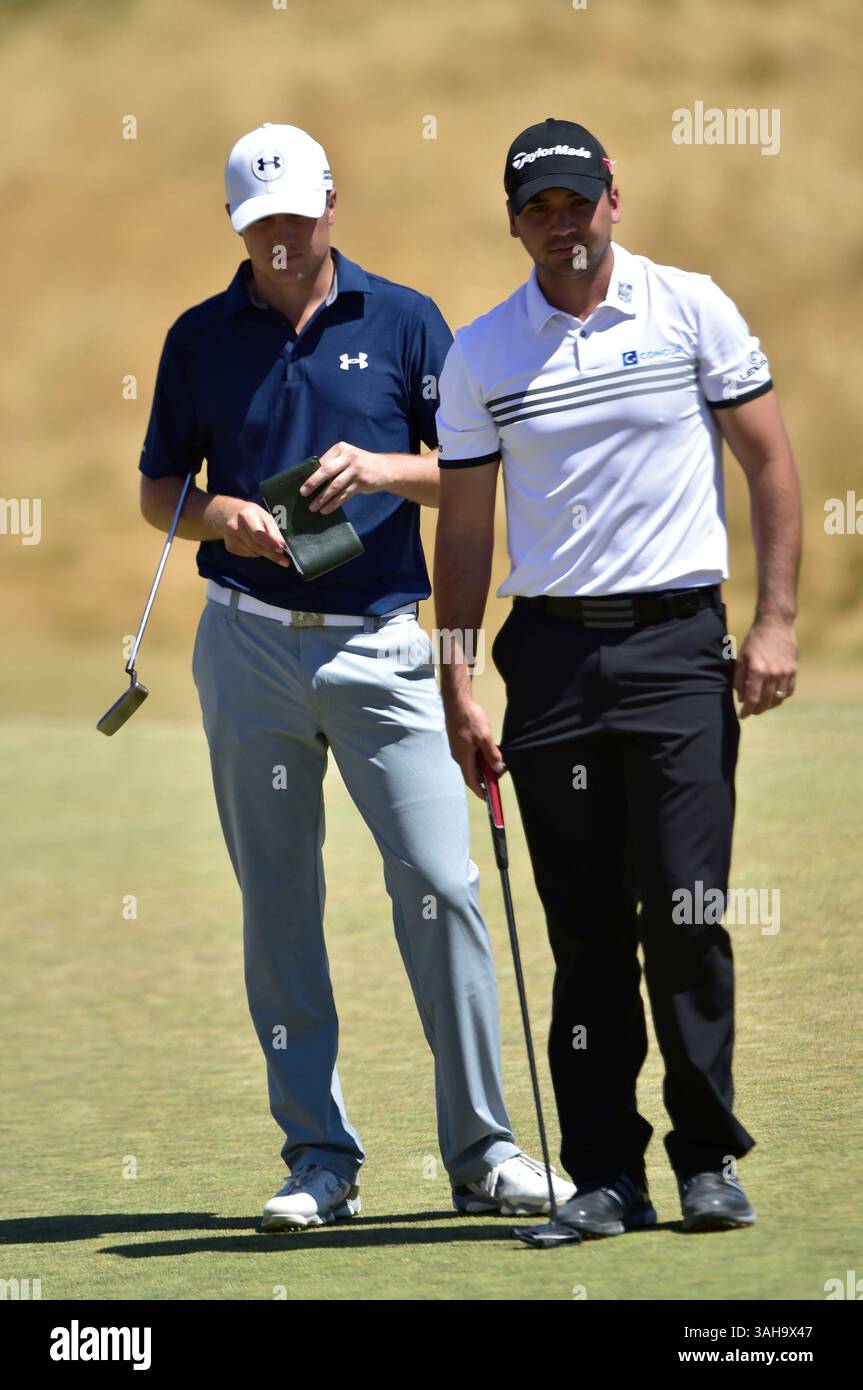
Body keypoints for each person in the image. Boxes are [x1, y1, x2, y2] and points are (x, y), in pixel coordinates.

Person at [138, 122, 573, 1231]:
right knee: (278, 907)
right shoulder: (199, 337)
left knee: (440, 885)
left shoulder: (407, 321)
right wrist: (217, 517)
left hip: (381, 644)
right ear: (238, 226)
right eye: (260, 224)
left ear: (332, 203)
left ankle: (482, 1150)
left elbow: (468, 474)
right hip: (246, 646)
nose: (282, 240)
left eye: (297, 216)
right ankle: (319, 1159)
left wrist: (382, 467)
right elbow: (158, 495)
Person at [433, 117, 801, 1237]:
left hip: (675, 647)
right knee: (585, 928)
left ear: (612, 199)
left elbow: (771, 462)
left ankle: (704, 1157)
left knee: (684, 908)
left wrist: (773, 621)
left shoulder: (690, 307)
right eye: (535, 208)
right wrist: (456, 682)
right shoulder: (481, 352)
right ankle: (603, 1173)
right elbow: (460, 533)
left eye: (574, 202)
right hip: (548, 660)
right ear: (513, 221)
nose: (559, 225)